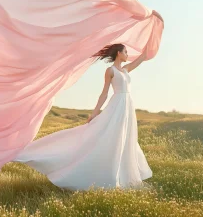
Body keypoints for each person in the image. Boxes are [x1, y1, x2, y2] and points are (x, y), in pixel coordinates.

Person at [13, 11, 164, 190]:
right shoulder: (111, 71)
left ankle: (123, 174)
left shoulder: (125, 70)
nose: (127, 53)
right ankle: (99, 173)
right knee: (107, 138)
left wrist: (156, 24)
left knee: (125, 138)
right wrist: (94, 113)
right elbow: (103, 94)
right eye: (125, 51)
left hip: (127, 107)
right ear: (118, 54)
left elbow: (144, 56)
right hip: (116, 106)